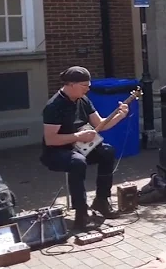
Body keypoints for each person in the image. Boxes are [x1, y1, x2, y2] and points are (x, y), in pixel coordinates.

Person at [40, 66, 129, 230]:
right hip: (56, 152)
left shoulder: (83, 100)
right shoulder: (54, 106)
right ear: (71, 84)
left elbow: (100, 124)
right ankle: (81, 213)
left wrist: (120, 115)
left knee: (107, 152)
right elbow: (51, 139)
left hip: (81, 148)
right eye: (84, 86)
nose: (88, 89)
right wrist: (78, 137)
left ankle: (102, 200)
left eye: (89, 85)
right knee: (78, 162)